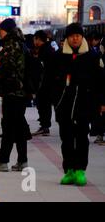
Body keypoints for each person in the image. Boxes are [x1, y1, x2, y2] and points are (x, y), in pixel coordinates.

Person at [50, 23, 105, 186]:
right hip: (64, 105)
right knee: (66, 139)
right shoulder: (59, 56)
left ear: (82, 37)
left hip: (84, 104)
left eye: (78, 35)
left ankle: (81, 170)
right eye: (72, 35)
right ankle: (69, 171)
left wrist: (101, 102)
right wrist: (55, 100)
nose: (75, 38)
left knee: (82, 138)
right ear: (67, 38)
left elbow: (101, 82)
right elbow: (50, 80)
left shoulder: (92, 56)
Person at [0, 18, 30, 172]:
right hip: (21, 92)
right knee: (19, 128)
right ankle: (22, 160)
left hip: (12, 92)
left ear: (6, 31)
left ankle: (3, 160)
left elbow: (5, 69)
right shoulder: (21, 44)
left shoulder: (10, 46)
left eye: (0, 31)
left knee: (9, 127)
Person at [31, 30, 56, 136]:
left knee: (43, 105)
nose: (34, 42)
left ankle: (45, 126)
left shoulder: (44, 50)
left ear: (37, 39)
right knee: (44, 105)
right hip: (47, 82)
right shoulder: (49, 48)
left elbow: (41, 68)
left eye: (34, 39)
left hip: (44, 83)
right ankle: (45, 126)